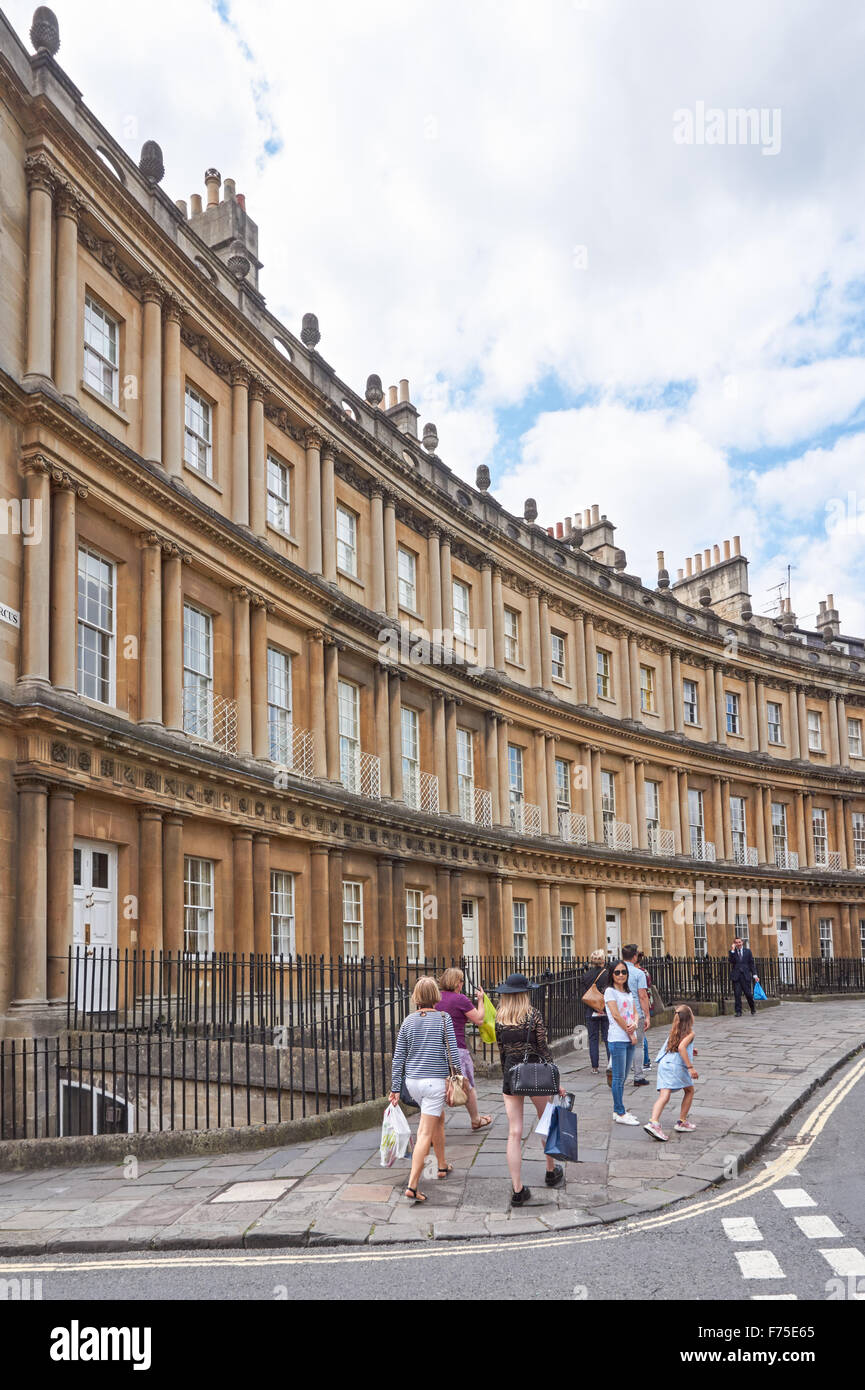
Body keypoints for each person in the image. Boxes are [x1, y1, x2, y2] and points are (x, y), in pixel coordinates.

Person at [495, 972, 567, 1206]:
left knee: (514, 1133)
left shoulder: (500, 1017)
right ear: (525, 993)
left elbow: (502, 1050)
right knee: (545, 1121)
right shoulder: (533, 1015)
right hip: (536, 1072)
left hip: (511, 1074)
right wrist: (557, 1082)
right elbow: (544, 1049)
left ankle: (517, 1190)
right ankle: (550, 1170)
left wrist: (508, 1072)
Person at [389, 976, 460, 1204]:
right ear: (435, 996)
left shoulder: (408, 1021)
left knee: (438, 1118)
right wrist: (457, 1079)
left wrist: (395, 1088)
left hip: (412, 1082)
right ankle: (412, 1185)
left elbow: (398, 1057)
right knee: (423, 1134)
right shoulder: (443, 1018)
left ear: (417, 997)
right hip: (434, 1083)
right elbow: (453, 1051)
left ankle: (441, 1165)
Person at [435, 967, 493, 1130]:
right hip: (457, 1049)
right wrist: (480, 1000)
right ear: (457, 983)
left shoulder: (435, 997)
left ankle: (431, 1126)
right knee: (466, 1085)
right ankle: (475, 1119)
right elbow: (479, 1020)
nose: (462, 984)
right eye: (461, 981)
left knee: (438, 1087)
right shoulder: (460, 999)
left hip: (436, 1050)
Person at [644, 1005, 699, 1141]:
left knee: (665, 1095)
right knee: (689, 1091)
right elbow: (681, 1048)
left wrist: (690, 1050)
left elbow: (677, 1045)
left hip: (665, 1064)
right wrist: (690, 1067)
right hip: (676, 1067)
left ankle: (657, 1121)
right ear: (691, 1018)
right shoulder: (691, 1033)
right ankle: (677, 1122)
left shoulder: (674, 1030)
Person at [604, 960, 640, 1124]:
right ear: (611, 974)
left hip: (629, 1036)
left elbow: (634, 1012)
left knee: (624, 1076)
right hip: (618, 1038)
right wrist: (630, 1032)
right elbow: (616, 1015)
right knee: (618, 1078)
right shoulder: (610, 992)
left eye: (623, 972)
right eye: (617, 972)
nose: (621, 975)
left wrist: (636, 1024)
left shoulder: (627, 991)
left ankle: (617, 1110)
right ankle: (619, 1111)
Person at [623, 943, 651, 1087]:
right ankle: (638, 1077)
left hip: (619, 1013)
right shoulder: (638, 973)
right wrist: (647, 1016)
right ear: (635, 956)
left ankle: (616, 1073)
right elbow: (642, 996)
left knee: (619, 1043)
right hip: (635, 1014)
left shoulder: (616, 971)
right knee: (638, 1045)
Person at [579, 949, 610, 1073]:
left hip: (591, 1010)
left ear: (591, 961)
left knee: (593, 1039)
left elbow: (583, 995)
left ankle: (595, 1067)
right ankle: (610, 1064)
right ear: (603, 960)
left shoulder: (586, 975)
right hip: (606, 1009)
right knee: (608, 1038)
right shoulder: (608, 974)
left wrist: (594, 1006)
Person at [729, 937, 758, 1017]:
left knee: (748, 994)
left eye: (739, 942)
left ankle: (752, 1008)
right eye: (736, 942)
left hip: (745, 976)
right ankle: (738, 1011)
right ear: (734, 944)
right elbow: (731, 961)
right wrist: (732, 950)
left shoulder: (747, 952)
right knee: (737, 994)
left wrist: (755, 975)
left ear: (742, 943)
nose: (738, 944)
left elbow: (751, 963)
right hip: (736, 977)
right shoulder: (732, 952)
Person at [637, 951, 653, 1070]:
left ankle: (645, 1061)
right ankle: (644, 1060)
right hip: (645, 1004)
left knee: (641, 1036)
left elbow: (642, 993)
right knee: (641, 1035)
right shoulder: (644, 971)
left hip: (641, 1005)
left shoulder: (639, 973)